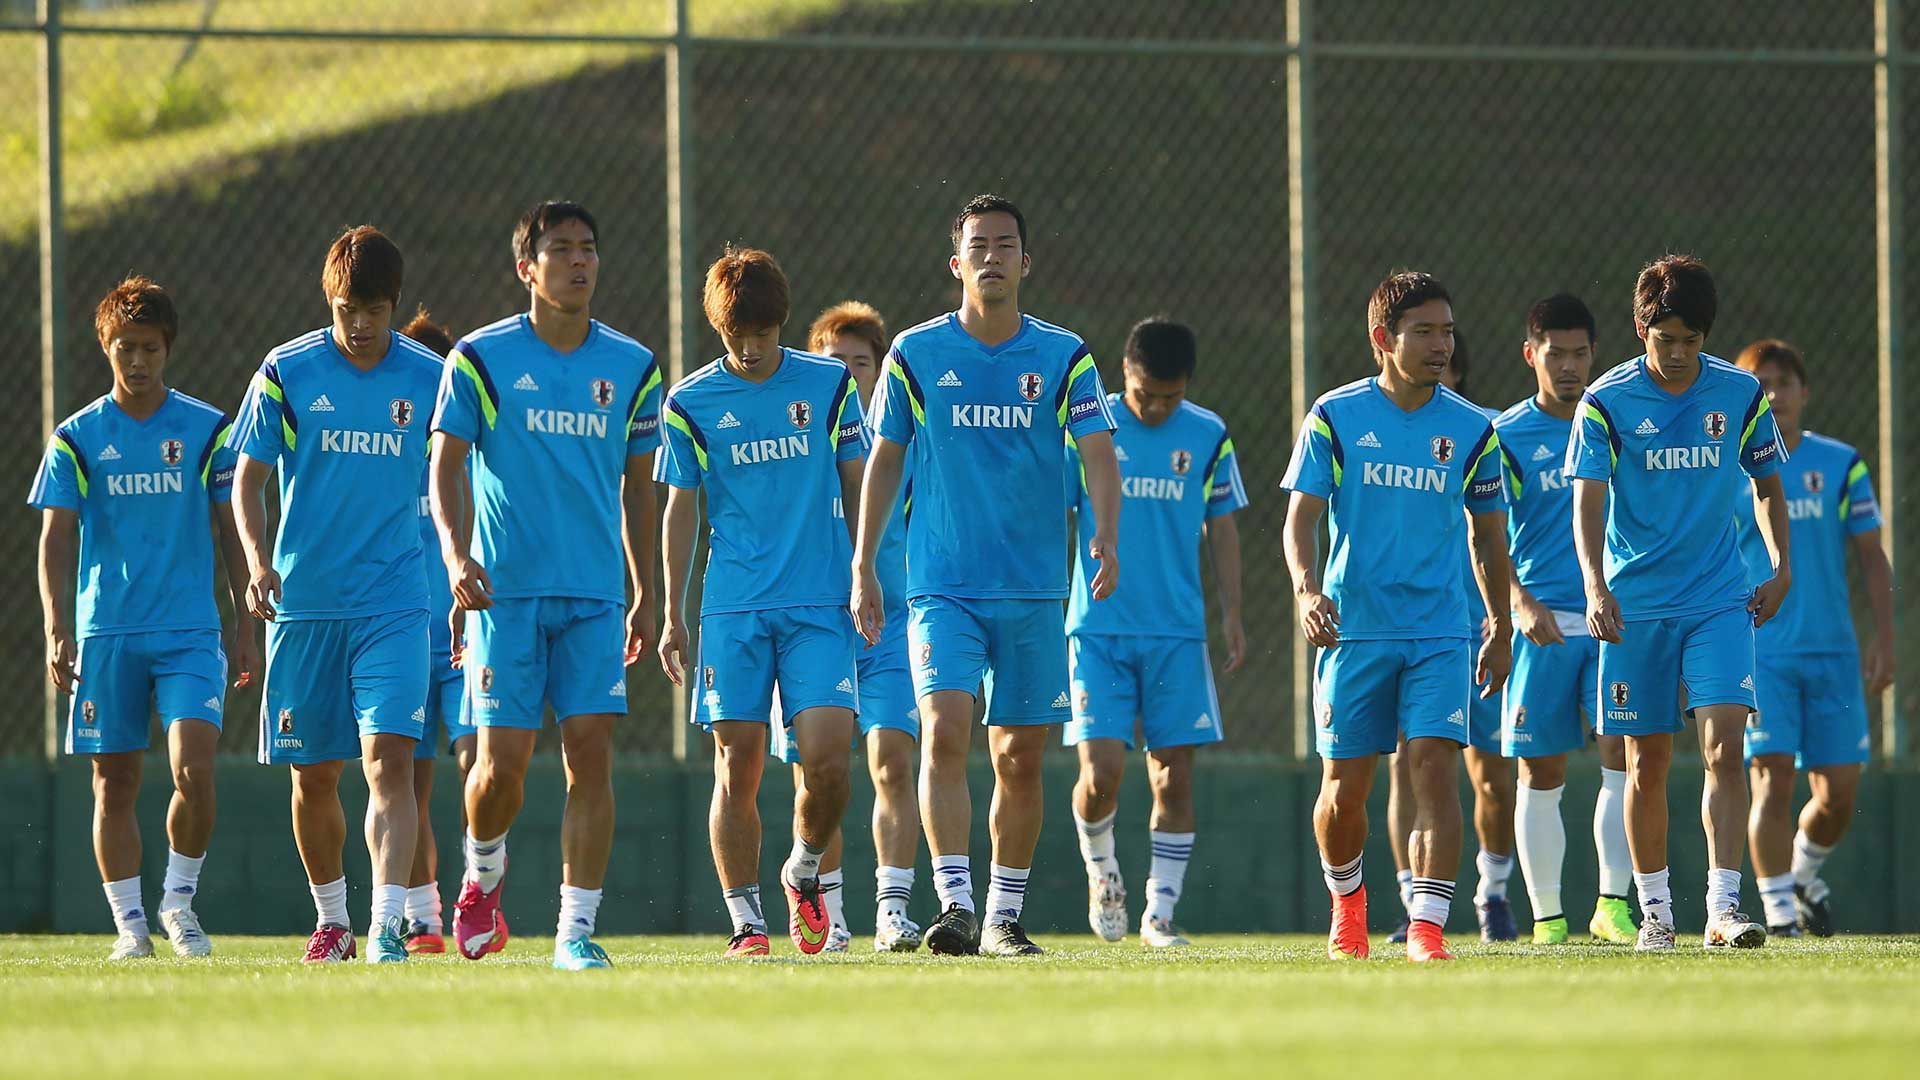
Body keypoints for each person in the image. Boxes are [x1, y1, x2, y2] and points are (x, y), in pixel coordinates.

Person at [854, 194, 1122, 957]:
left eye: (1006, 244)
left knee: (1020, 755)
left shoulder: (1065, 355)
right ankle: (956, 906)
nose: (992, 256)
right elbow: (885, 459)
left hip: (1036, 587)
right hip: (941, 584)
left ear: (1025, 262)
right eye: (979, 245)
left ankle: (1006, 915)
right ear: (956, 263)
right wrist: (864, 560)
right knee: (942, 729)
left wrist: (1105, 533)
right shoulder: (914, 352)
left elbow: (1099, 452)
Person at [432, 201, 662, 971]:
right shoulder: (479, 358)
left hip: (594, 596)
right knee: (500, 767)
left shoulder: (632, 366)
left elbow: (641, 489)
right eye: (560, 249)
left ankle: (574, 933)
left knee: (590, 755)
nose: (578, 261)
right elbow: (444, 467)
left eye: (588, 249)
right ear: (525, 266)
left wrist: (647, 588)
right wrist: (456, 558)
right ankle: (482, 877)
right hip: (505, 595)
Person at [1281, 270, 1512, 964]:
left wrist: (1498, 624)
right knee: (1344, 793)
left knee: (1433, 770)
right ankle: (1348, 904)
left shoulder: (1474, 430)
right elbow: (1301, 516)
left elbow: (1488, 536)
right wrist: (1305, 589)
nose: (1442, 344)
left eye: (1447, 331)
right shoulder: (1334, 416)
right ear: (1384, 339)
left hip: (1442, 632)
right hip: (1356, 631)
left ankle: (1427, 929)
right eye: (1425, 332)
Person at [231, 226, 443, 963]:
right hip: (305, 604)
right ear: (331, 300)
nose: (360, 324)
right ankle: (333, 920)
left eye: (375, 309)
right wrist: (258, 563)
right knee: (314, 773)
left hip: (396, 601)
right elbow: (247, 480)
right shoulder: (286, 370)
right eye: (348, 307)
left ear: (394, 306)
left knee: (389, 759)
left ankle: (388, 923)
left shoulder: (427, 375)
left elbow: (458, 475)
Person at [30, 275, 253, 960]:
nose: (138, 361)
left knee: (195, 768)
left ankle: (178, 903)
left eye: (150, 348)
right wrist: (57, 628)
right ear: (106, 347)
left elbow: (230, 528)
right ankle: (129, 927)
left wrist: (246, 624)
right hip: (108, 633)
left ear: (167, 349)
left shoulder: (207, 429)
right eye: (125, 347)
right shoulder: (77, 438)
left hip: (188, 631)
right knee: (114, 780)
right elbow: (56, 540)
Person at [1570, 254, 1789, 951]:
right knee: (1646, 761)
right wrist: (1595, 586)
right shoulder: (1605, 402)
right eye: (1665, 339)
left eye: (1691, 341)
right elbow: (1588, 503)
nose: (1678, 354)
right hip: (1635, 604)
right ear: (1641, 327)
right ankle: (1657, 913)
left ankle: (1724, 909)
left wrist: (1781, 566)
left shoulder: (1740, 393)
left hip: (1719, 597)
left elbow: (1766, 487)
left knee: (1726, 742)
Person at [657, 247, 867, 958]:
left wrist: (865, 571)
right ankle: (747, 922)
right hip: (734, 608)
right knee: (737, 762)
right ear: (718, 329)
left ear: (781, 323)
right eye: (734, 335)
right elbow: (681, 510)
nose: (748, 349)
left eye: (761, 333)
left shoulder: (832, 384)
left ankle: (803, 868)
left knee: (829, 761)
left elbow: (857, 479)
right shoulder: (689, 402)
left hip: (818, 604)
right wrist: (670, 610)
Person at [1065, 317, 1248, 948]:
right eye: (1147, 394)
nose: (1158, 407)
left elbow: (1223, 527)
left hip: (1176, 632)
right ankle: (1103, 871)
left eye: (1171, 396)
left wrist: (1231, 614)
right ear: (1125, 374)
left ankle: (1159, 914)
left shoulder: (1207, 435)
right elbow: (1056, 511)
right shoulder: (1090, 430)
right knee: (1103, 773)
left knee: (1173, 775)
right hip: (1099, 629)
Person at [766, 301, 926, 953]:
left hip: (889, 624)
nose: (849, 375)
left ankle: (893, 910)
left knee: (892, 761)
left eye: (862, 363)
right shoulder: (791, 438)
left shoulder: (901, 448)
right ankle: (828, 918)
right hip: (812, 626)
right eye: (834, 363)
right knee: (819, 775)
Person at [1732, 339, 1892, 937]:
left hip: (1834, 652)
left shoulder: (1841, 461)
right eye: (1760, 385)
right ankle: (1779, 916)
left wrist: (1887, 639)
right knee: (1771, 777)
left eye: (1783, 383)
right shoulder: (1728, 468)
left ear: (1804, 392)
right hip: (1760, 649)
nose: (1772, 395)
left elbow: (1873, 557)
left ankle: (1801, 874)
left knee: (1838, 795)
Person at [1494, 294, 1636, 945]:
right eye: (1557, 353)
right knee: (1540, 771)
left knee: (1623, 754)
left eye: (1581, 352)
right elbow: (1484, 533)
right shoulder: (1506, 436)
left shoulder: (1616, 421)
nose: (1571, 365)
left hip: (1613, 622)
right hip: (1542, 627)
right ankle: (1547, 916)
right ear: (1532, 354)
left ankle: (1612, 905)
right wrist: (1519, 603)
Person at [393, 308, 473, 953]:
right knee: (409, 781)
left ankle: (482, 883)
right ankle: (424, 914)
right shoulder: (385, 451)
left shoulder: (468, 451)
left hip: (467, 628)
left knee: (480, 756)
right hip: (400, 635)